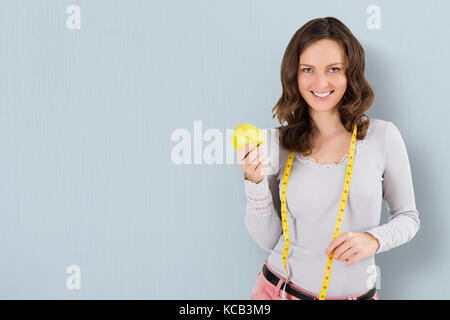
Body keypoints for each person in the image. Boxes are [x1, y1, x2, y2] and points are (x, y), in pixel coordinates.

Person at [237, 17, 420, 300]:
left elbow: (408, 218)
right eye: (307, 69)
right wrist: (254, 181)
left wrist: (374, 240)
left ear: (351, 73)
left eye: (333, 69)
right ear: (293, 75)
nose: (320, 82)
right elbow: (268, 240)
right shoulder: (275, 142)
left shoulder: (383, 137)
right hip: (277, 292)